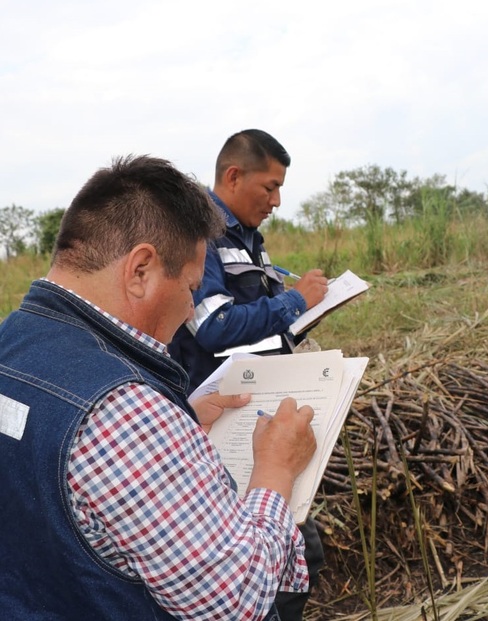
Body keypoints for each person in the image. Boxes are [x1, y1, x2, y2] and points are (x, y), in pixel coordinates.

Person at [0, 155, 319, 620]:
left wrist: (178, 416)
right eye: (191, 287)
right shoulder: (126, 415)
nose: (191, 309)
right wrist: (275, 470)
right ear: (141, 270)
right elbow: (237, 602)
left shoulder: (12, 338)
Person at [168, 129, 328, 619]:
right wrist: (295, 300)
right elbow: (214, 328)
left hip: (258, 402)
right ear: (233, 176)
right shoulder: (204, 237)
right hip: (219, 418)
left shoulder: (250, 242)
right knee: (273, 549)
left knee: (303, 549)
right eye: (269, 187)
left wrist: (301, 318)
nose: (278, 201)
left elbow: (255, 329)